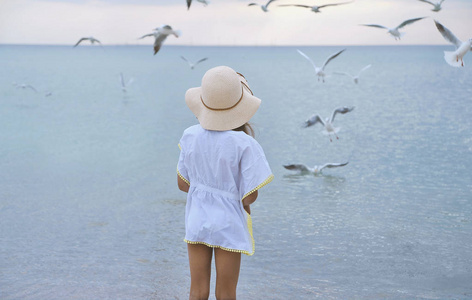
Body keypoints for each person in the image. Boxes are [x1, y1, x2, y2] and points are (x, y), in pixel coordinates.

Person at [177, 66, 273, 299]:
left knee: (197, 290)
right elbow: (249, 196)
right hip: (228, 221)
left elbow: (183, 184)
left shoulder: (190, 135)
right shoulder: (245, 144)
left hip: (197, 217)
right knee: (226, 293)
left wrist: (205, 186)